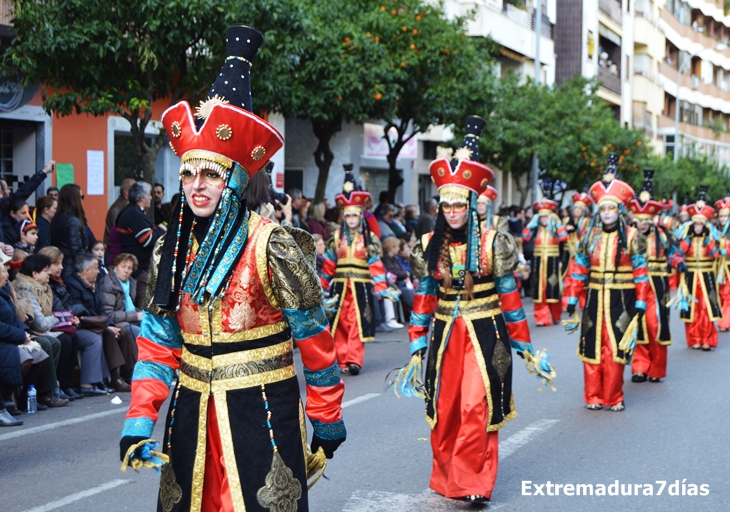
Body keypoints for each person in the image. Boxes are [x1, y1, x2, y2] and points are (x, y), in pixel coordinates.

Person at [120, 25, 345, 511]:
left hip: (262, 409)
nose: (197, 185)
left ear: (235, 180)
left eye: (211, 174)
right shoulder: (168, 248)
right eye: (188, 172)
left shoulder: (273, 244)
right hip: (190, 409)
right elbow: (158, 341)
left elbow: (314, 339)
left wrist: (326, 416)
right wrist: (139, 420)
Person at [404, 116, 539, 505]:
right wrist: (415, 343)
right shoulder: (429, 242)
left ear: (471, 205)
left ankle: (474, 482)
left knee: (477, 407)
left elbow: (510, 296)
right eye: (445, 204)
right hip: (445, 335)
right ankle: (447, 478)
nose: (452, 211)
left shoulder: (495, 241)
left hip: (485, 333)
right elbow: (425, 296)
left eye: (459, 204)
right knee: (444, 410)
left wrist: (525, 344)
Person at [563, 155, 649, 412]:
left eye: (612, 208)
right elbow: (579, 269)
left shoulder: (633, 236)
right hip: (594, 299)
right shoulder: (590, 235)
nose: (607, 213)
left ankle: (613, 396)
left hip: (622, 299)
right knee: (591, 346)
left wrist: (642, 302)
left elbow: (641, 273)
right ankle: (593, 395)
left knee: (616, 347)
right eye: (603, 209)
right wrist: (571, 297)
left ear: (619, 210)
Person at [322, 167, 391, 375]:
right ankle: (341, 359)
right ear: (344, 216)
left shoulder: (368, 240)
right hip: (340, 287)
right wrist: (322, 286)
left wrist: (382, 287)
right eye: (348, 215)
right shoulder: (335, 238)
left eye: (355, 215)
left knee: (357, 323)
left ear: (361, 216)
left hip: (360, 286)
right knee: (340, 322)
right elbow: (328, 264)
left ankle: (354, 360)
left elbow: (376, 264)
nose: (351, 219)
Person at [626, 170, 685, 383]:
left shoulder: (661, 233)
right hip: (636, 284)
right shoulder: (629, 235)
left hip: (658, 284)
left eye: (646, 219)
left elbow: (672, 253)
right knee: (637, 324)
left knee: (656, 326)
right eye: (639, 219)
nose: (642, 223)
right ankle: (639, 367)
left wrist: (679, 263)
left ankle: (657, 368)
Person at [40, 246, 108, 397]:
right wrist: (78, 311)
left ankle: (99, 380)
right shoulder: (57, 285)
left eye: (61, 263)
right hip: (57, 327)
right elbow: (61, 310)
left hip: (68, 324)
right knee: (89, 339)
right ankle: (82, 384)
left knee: (104, 333)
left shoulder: (61, 282)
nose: (61, 267)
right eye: (57, 264)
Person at [11, 254, 73, 408]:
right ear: (35, 274)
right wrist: (56, 318)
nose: (49, 273)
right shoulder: (25, 288)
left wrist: (57, 318)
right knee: (47, 343)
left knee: (66, 339)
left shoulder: (44, 288)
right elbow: (39, 323)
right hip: (29, 331)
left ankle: (60, 386)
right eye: (46, 270)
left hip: (30, 330)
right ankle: (44, 392)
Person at [67, 253, 134, 392]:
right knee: (106, 335)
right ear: (87, 270)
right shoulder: (72, 285)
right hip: (83, 325)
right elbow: (80, 312)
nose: (99, 271)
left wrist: (109, 324)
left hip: (95, 324)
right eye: (96, 268)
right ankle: (113, 378)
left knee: (122, 332)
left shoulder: (93, 284)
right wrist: (105, 326)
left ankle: (130, 374)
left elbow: (101, 309)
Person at [678, 187, 722, 350]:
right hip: (690, 276)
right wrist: (687, 241)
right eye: (695, 223)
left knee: (706, 307)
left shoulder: (711, 237)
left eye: (700, 224)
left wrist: (707, 242)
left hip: (706, 275)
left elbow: (716, 254)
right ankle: (694, 338)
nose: (697, 226)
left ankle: (707, 339)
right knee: (692, 308)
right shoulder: (687, 237)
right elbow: (679, 253)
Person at [116, 181, 167, 306]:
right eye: (149, 194)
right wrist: (160, 229)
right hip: (140, 269)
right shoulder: (134, 214)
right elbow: (147, 240)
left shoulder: (134, 212)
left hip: (140, 266)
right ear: (142, 197)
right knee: (144, 305)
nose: (151, 197)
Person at [522, 195, 568, 326]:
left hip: (552, 260)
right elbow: (525, 237)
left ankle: (555, 314)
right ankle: (541, 317)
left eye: (546, 217)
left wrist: (556, 221)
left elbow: (564, 237)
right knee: (539, 289)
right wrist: (530, 224)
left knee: (552, 288)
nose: (544, 220)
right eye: (541, 217)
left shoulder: (554, 228)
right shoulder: (536, 229)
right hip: (538, 261)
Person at [561, 188, 592, 310]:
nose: (577, 210)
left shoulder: (587, 222)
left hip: (582, 253)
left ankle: (584, 303)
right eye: (576, 208)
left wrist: (577, 229)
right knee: (568, 278)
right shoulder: (566, 221)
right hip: (569, 254)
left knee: (583, 279)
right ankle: (567, 302)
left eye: (580, 209)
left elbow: (588, 236)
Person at [99, 253, 142, 340]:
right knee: (139, 333)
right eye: (123, 266)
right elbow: (109, 315)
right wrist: (136, 315)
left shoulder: (132, 283)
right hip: (116, 322)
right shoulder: (108, 284)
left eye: (129, 268)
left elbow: (136, 306)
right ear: (115, 266)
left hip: (130, 318)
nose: (126, 270)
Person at [50, 184, 88, 279]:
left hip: (62, 264)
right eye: (81, 196)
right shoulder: (73, 221)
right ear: (74, 199)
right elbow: (77, 251)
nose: (82, 200)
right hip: (71, 269)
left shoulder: (58, 218)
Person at [104, 178, 135, 251]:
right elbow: (117, 231)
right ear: (126, 192)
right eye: (134, 189)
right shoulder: (118, 208)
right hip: (115, 251)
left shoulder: (123, 206)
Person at [715, 194, 730, 332]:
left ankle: (725, 322)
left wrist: (725, 251)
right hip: (719, 267)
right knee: (720, 293)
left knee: (728, 294)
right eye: (721, 216)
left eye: (725, 216)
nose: (723, 219)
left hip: (729, 266)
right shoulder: (717, 230)